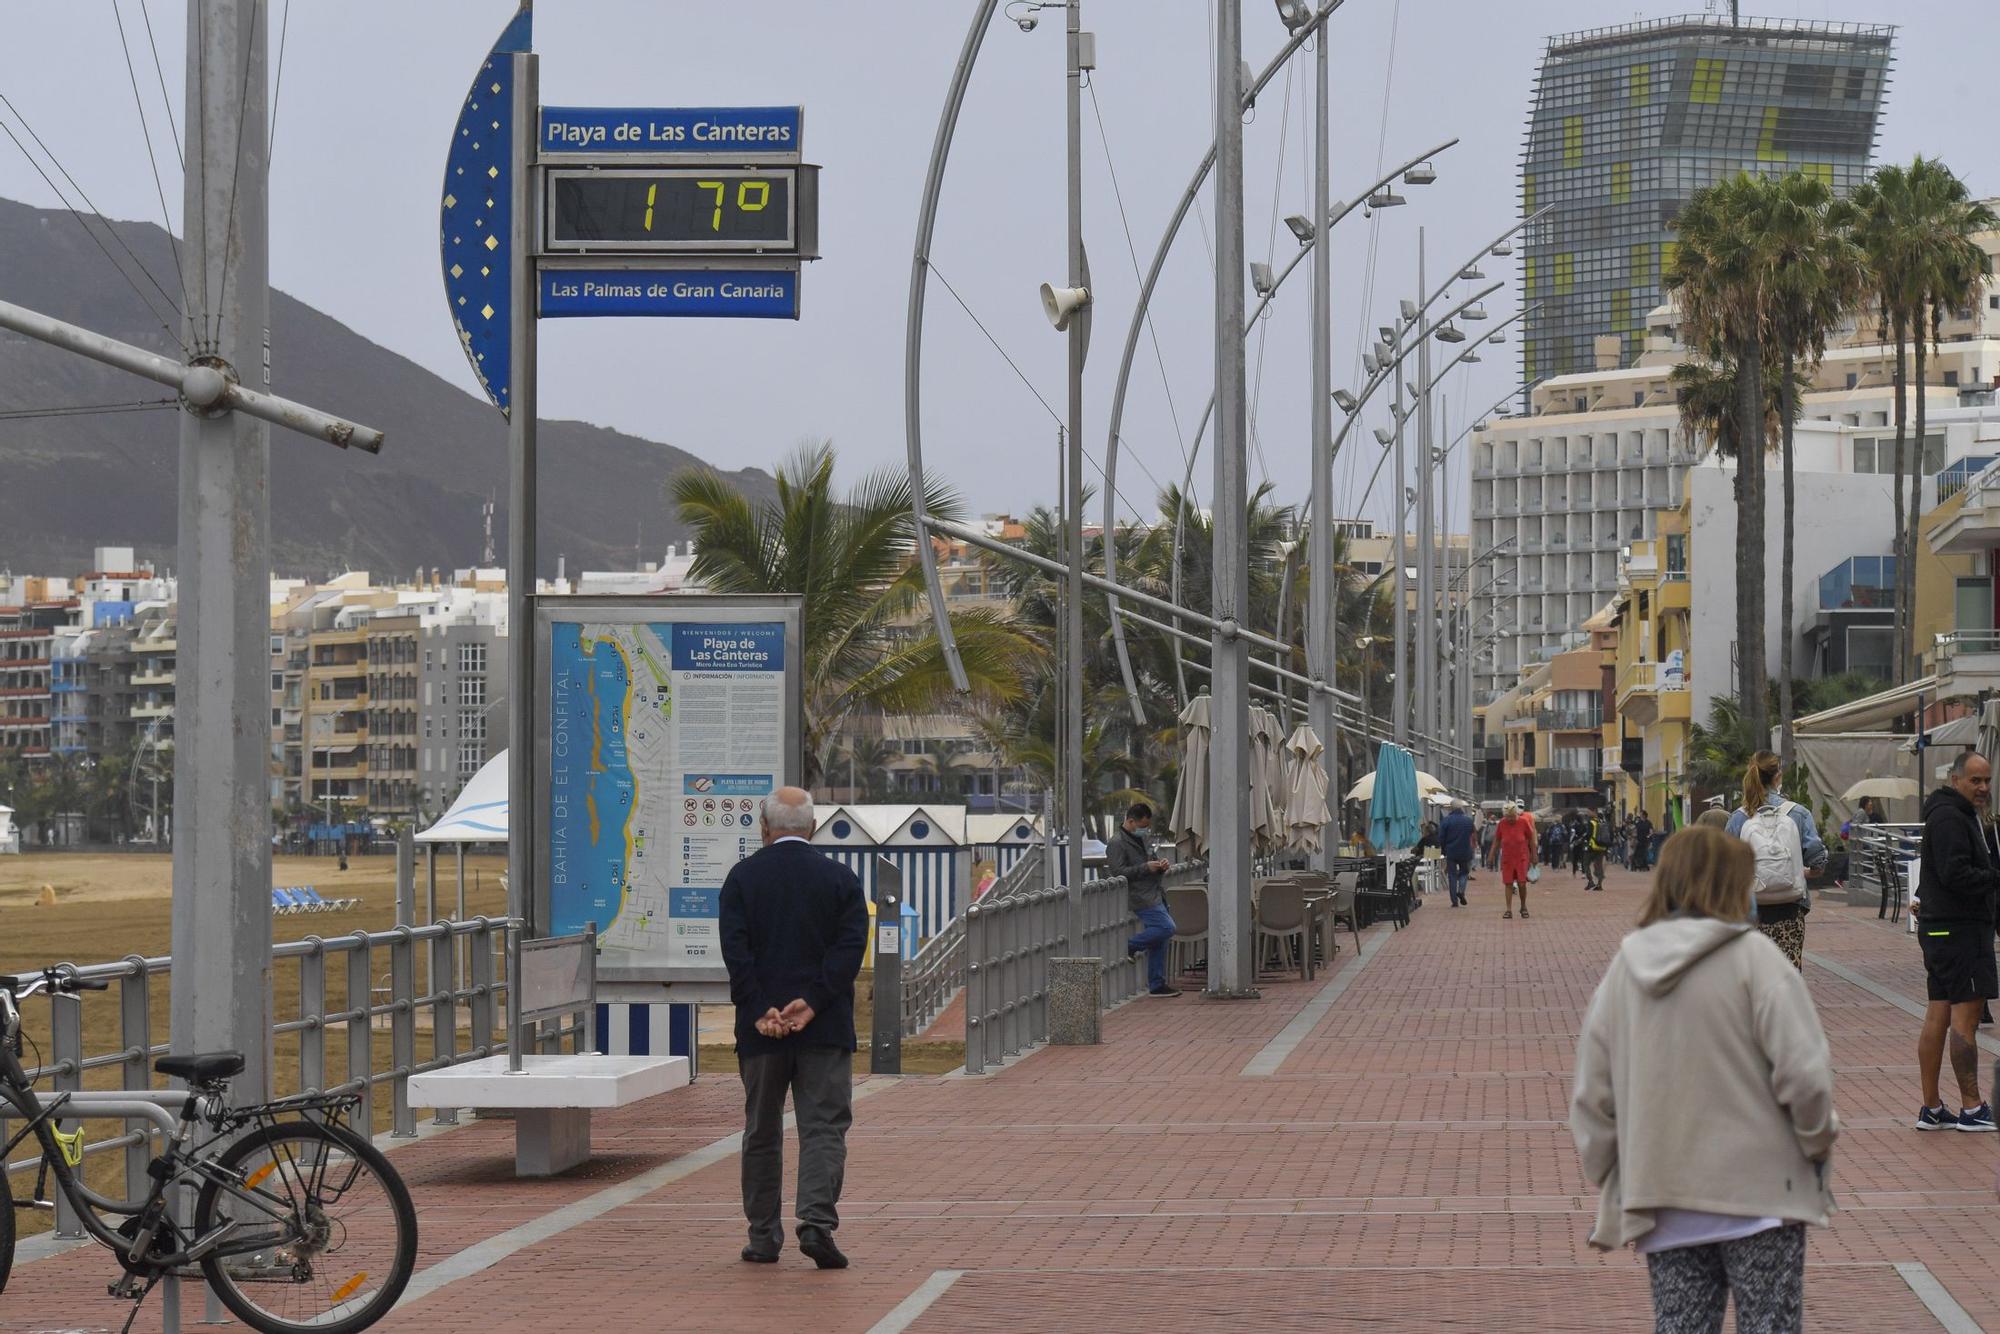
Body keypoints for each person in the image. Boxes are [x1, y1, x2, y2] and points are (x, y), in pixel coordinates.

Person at [1571, 826, 1839, 1332]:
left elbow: (1592, 1093)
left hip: (1667, 1193)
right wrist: (1815, 1141)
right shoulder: (1759, 961)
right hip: (1762, 1192)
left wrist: (1613, 1169)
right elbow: (1806, 1076)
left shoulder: (1628, 967)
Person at [718, 787, 870, 1269]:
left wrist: (762, 1008)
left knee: (761, 1130)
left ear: (764, 827)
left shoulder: (742, 878)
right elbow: (848, 951)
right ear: (813, 826)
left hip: (760, 1033)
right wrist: (814, 1001)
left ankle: (763, 1236)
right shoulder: (840, 879)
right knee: (824, 1126)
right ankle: (817, 1223)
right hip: (824, 1028)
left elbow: (735, 952)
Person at [1912, 751, 2000, 1132]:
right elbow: (1955, 872)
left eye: (1987, 781)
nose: (1982, 788)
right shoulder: (1951, 817)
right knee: (1964, 1019)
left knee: (1939, 1014)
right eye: (1975, 781)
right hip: (1960, 930)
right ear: (1956, 779)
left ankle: (1932, 1108)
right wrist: (1994, 876)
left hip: (1941, 928)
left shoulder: (1949, 814)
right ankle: (1972, 1108)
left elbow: (1939, 871)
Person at [1725, 752, 1826, 972]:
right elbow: (1817, 860)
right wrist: (1803, 871)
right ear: (1777, 776)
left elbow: (1726, 867)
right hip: (1790, 907)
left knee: (1753, 975)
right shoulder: (1798, 813)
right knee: (1787, 975)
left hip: (1751, 910)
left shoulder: (1739, 818)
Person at [1108, 801, 1180, 998]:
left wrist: (1160, 865)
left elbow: (1151, 859)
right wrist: (1145, 868)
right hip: (1140, 896)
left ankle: (1157, 984)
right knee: (1167, 928)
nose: (1144, 830)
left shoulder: (1144, 839)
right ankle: (1131, 945)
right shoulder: (1117, 843)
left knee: (1161, 937)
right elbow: (1117, 872)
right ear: (1131, 821)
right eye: (1142, 827)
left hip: (1155, 892)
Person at [1495, 802, 1537, 920]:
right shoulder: (1502, 823)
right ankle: (1508, 909)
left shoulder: (1524, 822)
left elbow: (1531, 839)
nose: (1510, 819)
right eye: (1508, 817)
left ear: (1516, 814)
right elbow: (1497, 840)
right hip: (1507, 858)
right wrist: (1491, 855)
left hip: (1522, 858)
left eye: (1512, 817)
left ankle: (1523, 906)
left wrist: (1534, 855)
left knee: (1522, 883)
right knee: (1508, 883)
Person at [1440, 803, 1476, 908]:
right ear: (1461, 808)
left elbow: (1441, 837)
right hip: (1465, 851)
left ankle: (1454, 901)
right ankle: (1461, 891)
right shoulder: (1468, 821)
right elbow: (1472, 834)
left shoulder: (1446, 821)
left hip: (1451, 851)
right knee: (1464, 872)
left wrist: (1443, 849)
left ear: (1451, 808)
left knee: (1452, 875)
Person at [1580, 808, 1610, 892]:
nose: (1588, 813)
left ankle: (1591, 881)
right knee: (1599, 866)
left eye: (1589, 811)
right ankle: (1599, 884)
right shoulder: (1602, 822)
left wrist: (1584, 840)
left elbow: (1588, 835)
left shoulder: (1591, 822)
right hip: (1601, 847)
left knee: (1586, 863)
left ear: (1594, 811)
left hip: (1592, 846)